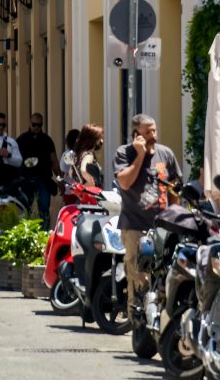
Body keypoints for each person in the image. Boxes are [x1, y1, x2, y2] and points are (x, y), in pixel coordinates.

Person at [113, 113, 182, 321]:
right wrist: (140, 155)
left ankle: (160, 319)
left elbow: (175, 188)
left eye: (154, 130)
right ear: (137, 135)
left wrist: (175, 216)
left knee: (164, 274)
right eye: (148, 132)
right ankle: (138, 323)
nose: (154, 135)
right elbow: (125, 183)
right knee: (138, 277)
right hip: (135, 226)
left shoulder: (166, 154)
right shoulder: (124, 153)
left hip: (162, 228)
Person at [17, 113, 60, 224]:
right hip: (26, 180)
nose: (36, 127)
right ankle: (25, 232)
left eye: (39, 125)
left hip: (43, 179)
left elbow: (54, 161)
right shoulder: (22, 140)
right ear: (30, 123)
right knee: (25, 210)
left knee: (44, 210)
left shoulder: (47, 140)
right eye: (34, 124)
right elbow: (15, 160)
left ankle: (44, 232)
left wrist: (60, 180)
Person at [74, 124, 106, 188]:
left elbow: (71, 172)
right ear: (93, 139)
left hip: (82, 192)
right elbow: (83, 170)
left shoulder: (79, 154)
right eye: (100, 138)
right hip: (91, 193)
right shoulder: (89, 156)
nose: (102, 140)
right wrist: (91, 182)